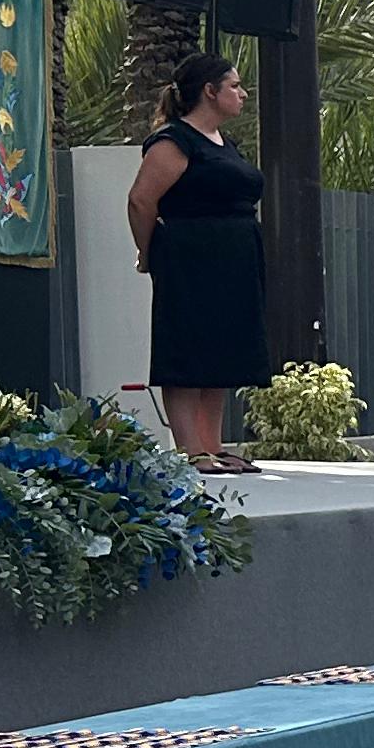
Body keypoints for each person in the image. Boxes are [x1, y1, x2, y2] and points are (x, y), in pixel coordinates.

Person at [124, 50, 270, 470]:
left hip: (234, 258)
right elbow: (141, 200)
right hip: (189, 254)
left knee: (221, 350)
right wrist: (149, 252)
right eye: (235, 86)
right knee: (187, 349)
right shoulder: (175, 141)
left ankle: (214, 444)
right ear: (209, 91)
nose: (243, 93)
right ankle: (190, 450)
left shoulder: (227, 144)